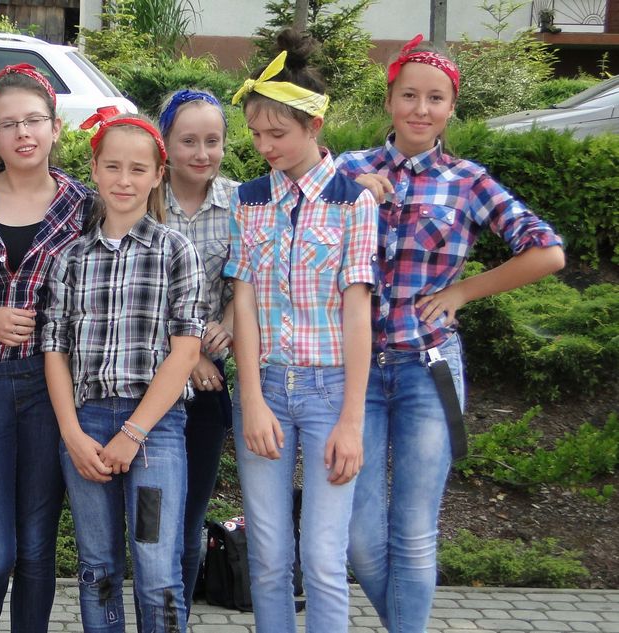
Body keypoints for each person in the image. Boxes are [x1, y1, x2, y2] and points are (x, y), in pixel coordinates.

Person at [335, 35, 565, 633]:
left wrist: (462, 292)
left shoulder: (468, 181)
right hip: (352, 374)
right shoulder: (347, 169)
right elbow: (293, 232)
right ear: (390, 100)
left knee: (414, 534)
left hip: (427, 370)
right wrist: (347, 199)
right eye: (409, 95)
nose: (421, 109)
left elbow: (547, 252)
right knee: (359, 537)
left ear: (451, 108)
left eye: (435, 98)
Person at [225, 30, 377, 632]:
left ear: (314, 126)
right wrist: (252, 399)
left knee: (322, 557)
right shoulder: (248, 201)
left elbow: (358, 311)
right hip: (264, 388)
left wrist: (351, 420)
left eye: (277, 134)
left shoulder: (353, 204)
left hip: (329, 393)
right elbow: (242, 300)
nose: (264, 146)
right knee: (268, 557)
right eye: (255, 134)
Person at [43, 106, 206, 632]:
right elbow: (55, 348)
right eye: (112, 166)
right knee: (97, 567)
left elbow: (185, 352)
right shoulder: (71, 259)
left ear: (158, 175)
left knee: (156, 567)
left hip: (155, 432)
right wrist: (71, 433)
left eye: (138, 169)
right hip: (87, 427)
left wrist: (134, 433)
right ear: (94, 169)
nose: (124, 180)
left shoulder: (176, 252)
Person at [0, 63, 97, 633]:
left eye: (34, 120)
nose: (22, 133)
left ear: (55, 127)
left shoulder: (85, 207)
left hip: (51, 386)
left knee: (38, 547)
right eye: (7, 124)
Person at [155, 88, 237, 607]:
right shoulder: (143, 196)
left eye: (213, 140)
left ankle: (176, 617)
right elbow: (137, 295)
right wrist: (194, 355)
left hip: (207, 390)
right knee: (151, 519)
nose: (202, 153)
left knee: (188, 520)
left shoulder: (239, 203)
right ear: (165, 142)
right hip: (150, 380)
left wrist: (228, 323)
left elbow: (251, 281)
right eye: (188, 141)